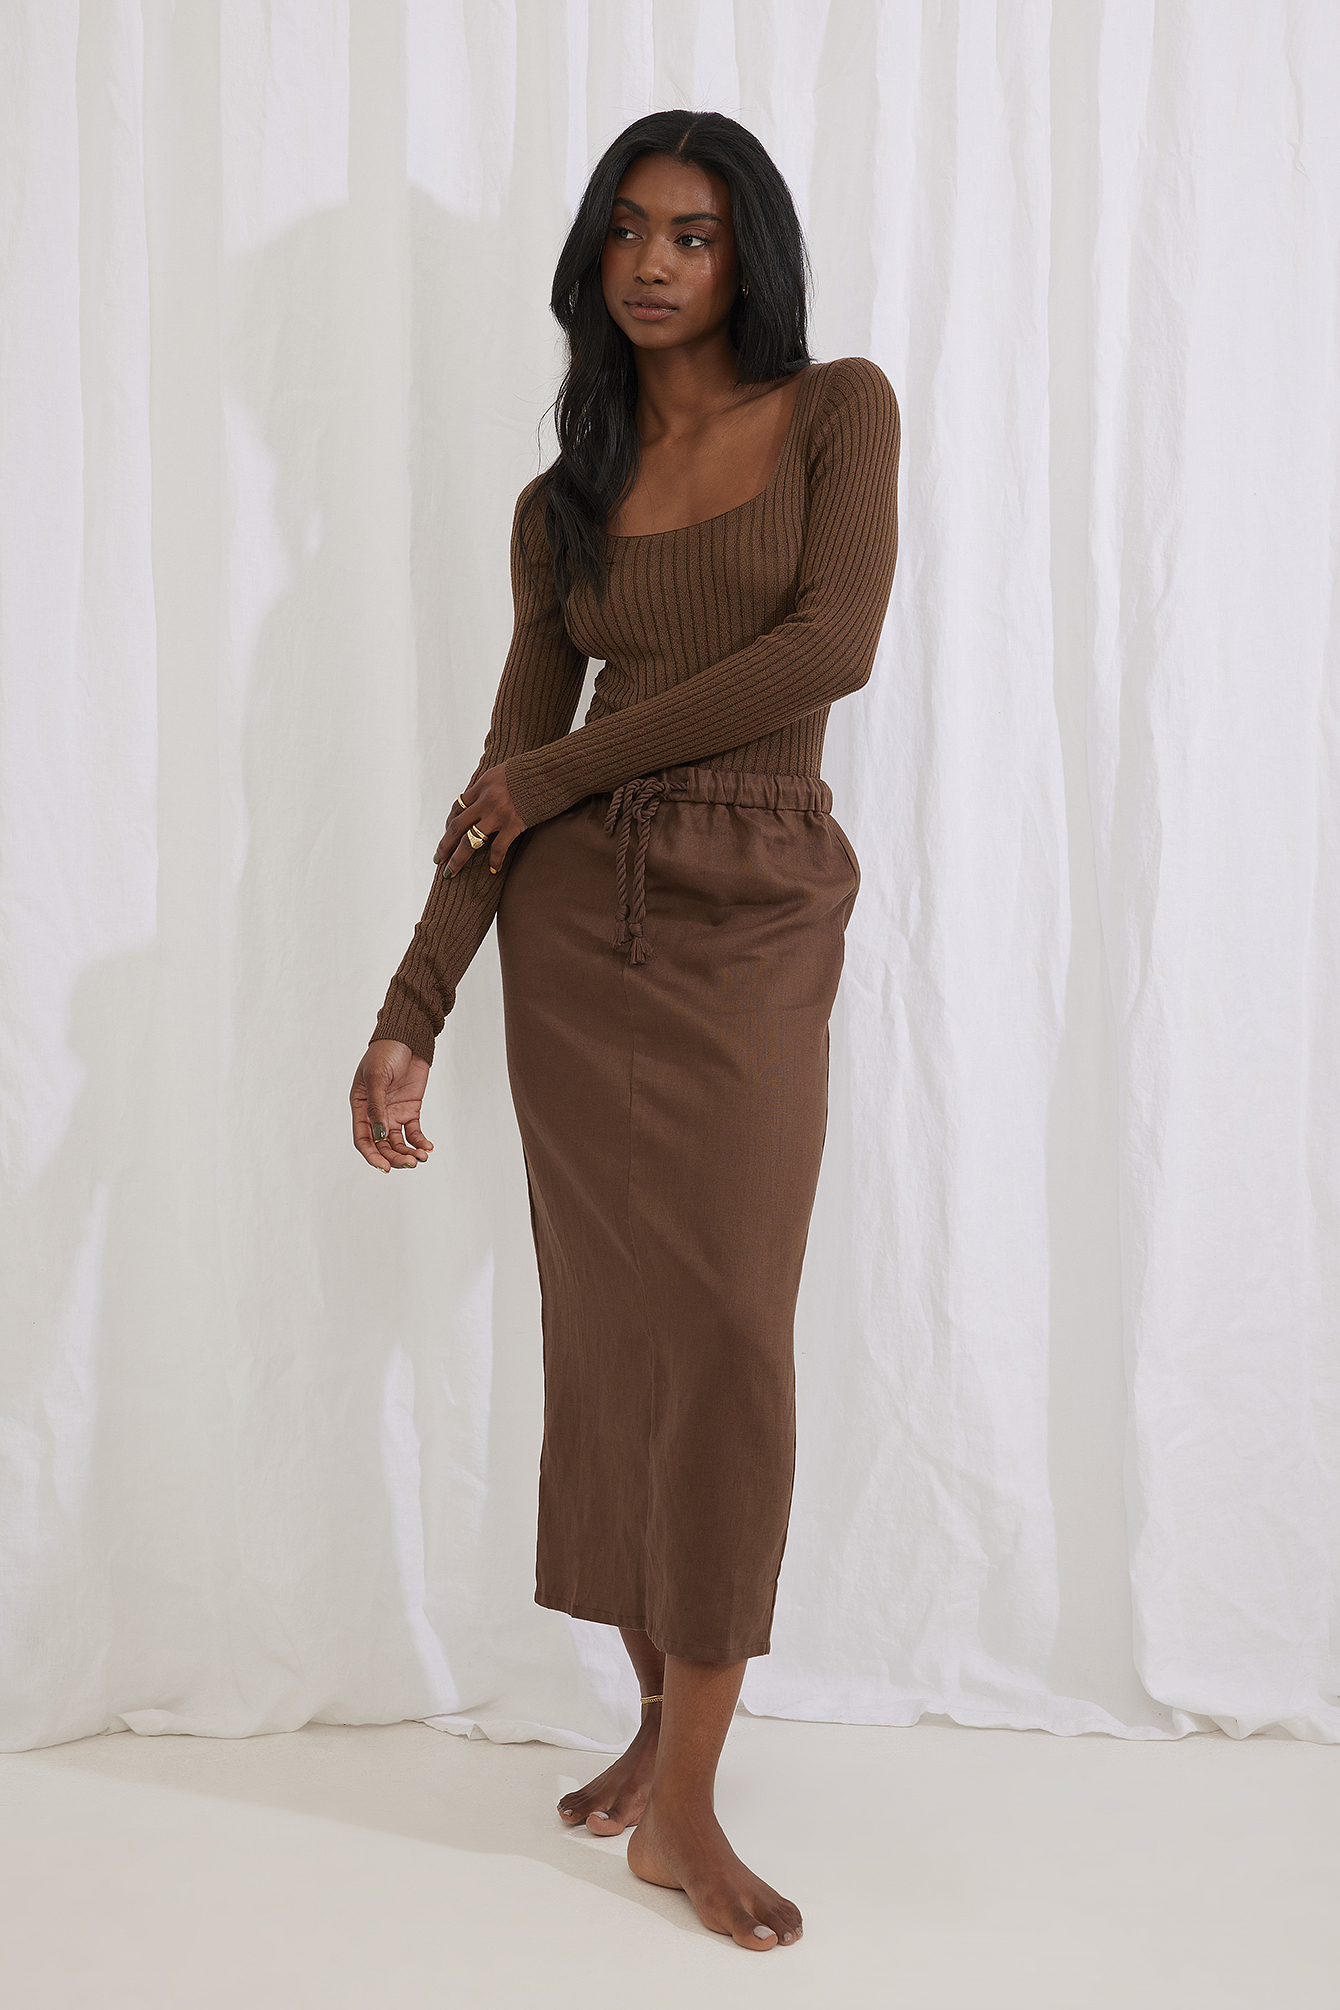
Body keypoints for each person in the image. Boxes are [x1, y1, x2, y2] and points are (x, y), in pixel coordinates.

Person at [349, 108, 900, 1953]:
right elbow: (504, 773)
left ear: (751, 258)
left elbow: (828, 648)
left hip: (756, 905)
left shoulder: (837, 414)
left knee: (728, 1330)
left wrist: (570, 766)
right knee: (613, 1337)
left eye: (696, 233)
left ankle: (688, 1807)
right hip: (579, 936)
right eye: (630, 230)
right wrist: (414, 1003)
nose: (656, 263)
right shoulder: (563, 502)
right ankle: (668, 1736)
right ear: (594, 253)